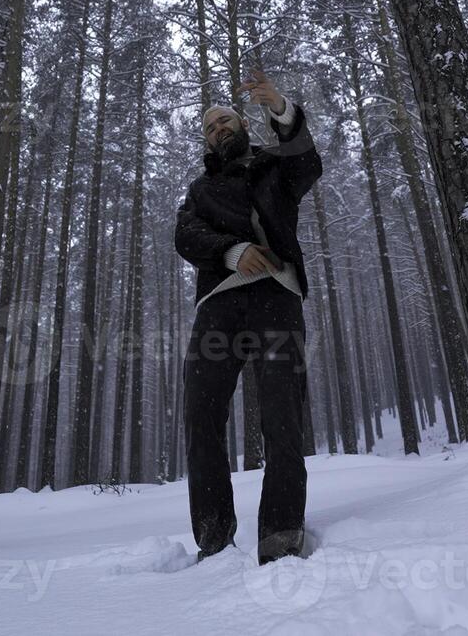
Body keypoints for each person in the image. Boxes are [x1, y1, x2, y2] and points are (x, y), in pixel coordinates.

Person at [174, 69, 323, 565]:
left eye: (225, 120)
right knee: (202, 418)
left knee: (282, 413)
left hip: (276, 298)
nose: (218, 128)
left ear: (242, 125)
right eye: (210, 126)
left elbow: (307, 166)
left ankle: (281, 534)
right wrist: (232, 250)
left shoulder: (274, 169)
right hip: (217, 305)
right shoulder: (198, 190)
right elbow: (186, 237)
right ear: (208, 141)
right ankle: (213, 540)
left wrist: (282, 109)